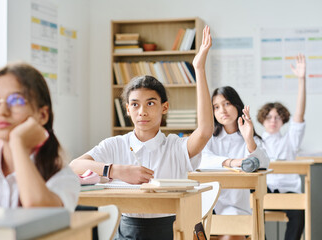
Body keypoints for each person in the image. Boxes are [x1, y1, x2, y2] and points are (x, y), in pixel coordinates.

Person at [70, 25, 214, 240]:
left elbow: (204, 131)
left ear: (164, 108)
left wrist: (199, 69)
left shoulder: (175, 146)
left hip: (171, 231)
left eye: (150, 103)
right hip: (127, 231)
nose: (142, 111)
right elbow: (74, 166)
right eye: (135, 105)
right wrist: (117, 171)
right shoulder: (115, 144)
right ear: (127, 109)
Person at [0, 62, 80, 212]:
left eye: (16, 100)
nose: (1, 111)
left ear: (42, 115)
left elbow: (37, 207)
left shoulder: (61, 175)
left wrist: (18, 143)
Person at [199, 86, 270, 240]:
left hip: (234, 206)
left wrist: (249, 139)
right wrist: (232, 162)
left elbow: (263, 164)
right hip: (205, 205)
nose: (222, 110)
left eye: (227, 103)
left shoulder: (250, 138)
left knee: (231, 235)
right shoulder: (209, 137)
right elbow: (200, 159)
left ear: (237, 105)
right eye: (216, 107)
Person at [257, 53, 306, 240]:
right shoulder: (257, 142)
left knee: (298, 215)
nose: (273, 121)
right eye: (269, 117)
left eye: (277, 117)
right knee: (250, 208)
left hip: (289, 192)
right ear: (263, 119)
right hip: (266, 192)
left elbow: (299, 116)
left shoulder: (290, 140)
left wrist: (301, 80)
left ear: (283, 120)